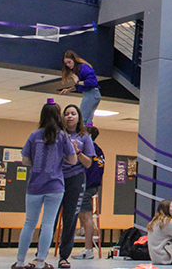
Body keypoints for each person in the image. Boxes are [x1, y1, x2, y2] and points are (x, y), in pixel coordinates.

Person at [13, 99, 77, 269]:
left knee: (29, 223)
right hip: (55, 186)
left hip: (35, 186)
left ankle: (20, 262)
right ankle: (41, 261)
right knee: (48, 224)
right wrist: (59, 157)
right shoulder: (63, 136)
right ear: (58, 116)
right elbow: (73, 159)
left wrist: (37, 162)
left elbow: (25, 160)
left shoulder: (34, 136)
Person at [57, 104, 95, 268]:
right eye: (66, 114)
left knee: (70, 218)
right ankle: (40, 255)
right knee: (51, 218)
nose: (69, 116)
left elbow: (88, 164)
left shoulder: (84, 137)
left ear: (79, 117)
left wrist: (77, 152)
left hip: (76, 179)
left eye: (73, 114)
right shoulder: (59, 135)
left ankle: (64, 256)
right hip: (57, 178)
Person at [72, 124, 105, 260]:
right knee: (84, 216)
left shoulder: (88, 150)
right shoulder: (99, 151)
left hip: (86, 186)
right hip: (93, 186)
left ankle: (88, 250)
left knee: (87, 217)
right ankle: (83, 232)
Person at [60, 50, 101, 126]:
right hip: (93, 94)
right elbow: (81, 85)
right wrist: (69, 89)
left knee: (82, 118)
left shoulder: (83, 67)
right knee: (88, 119)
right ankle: (87, 134)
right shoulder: (80, 69)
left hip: (91, 93)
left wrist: (78, 82)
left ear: (74, 60)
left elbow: (93, 82)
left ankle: (82, 135)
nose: (68, 65)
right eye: (66, 63)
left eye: (69, 62)